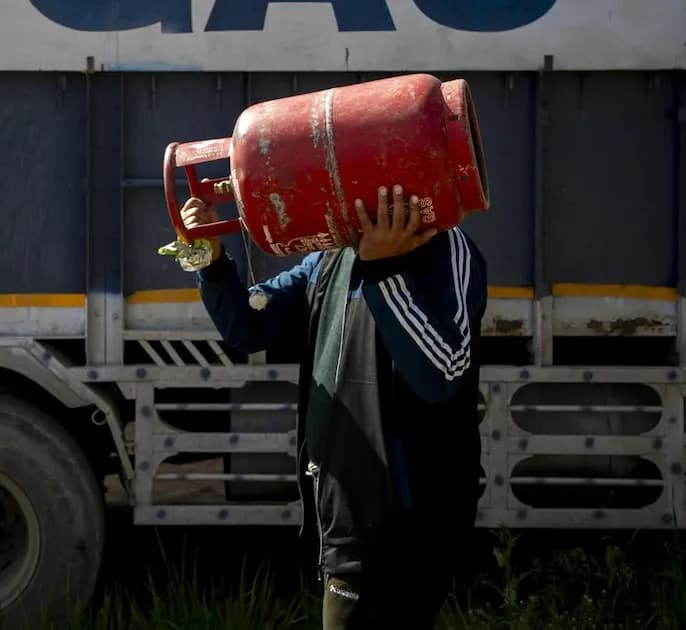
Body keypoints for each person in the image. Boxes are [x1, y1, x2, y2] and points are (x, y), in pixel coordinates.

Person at [181, 184, 487, 628]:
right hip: (343, 523)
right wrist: (209, 262)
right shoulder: (331, 256)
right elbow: (247, 325)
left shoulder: (448, 248)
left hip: (408, 530)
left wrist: (383, 269)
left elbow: (443, 373)